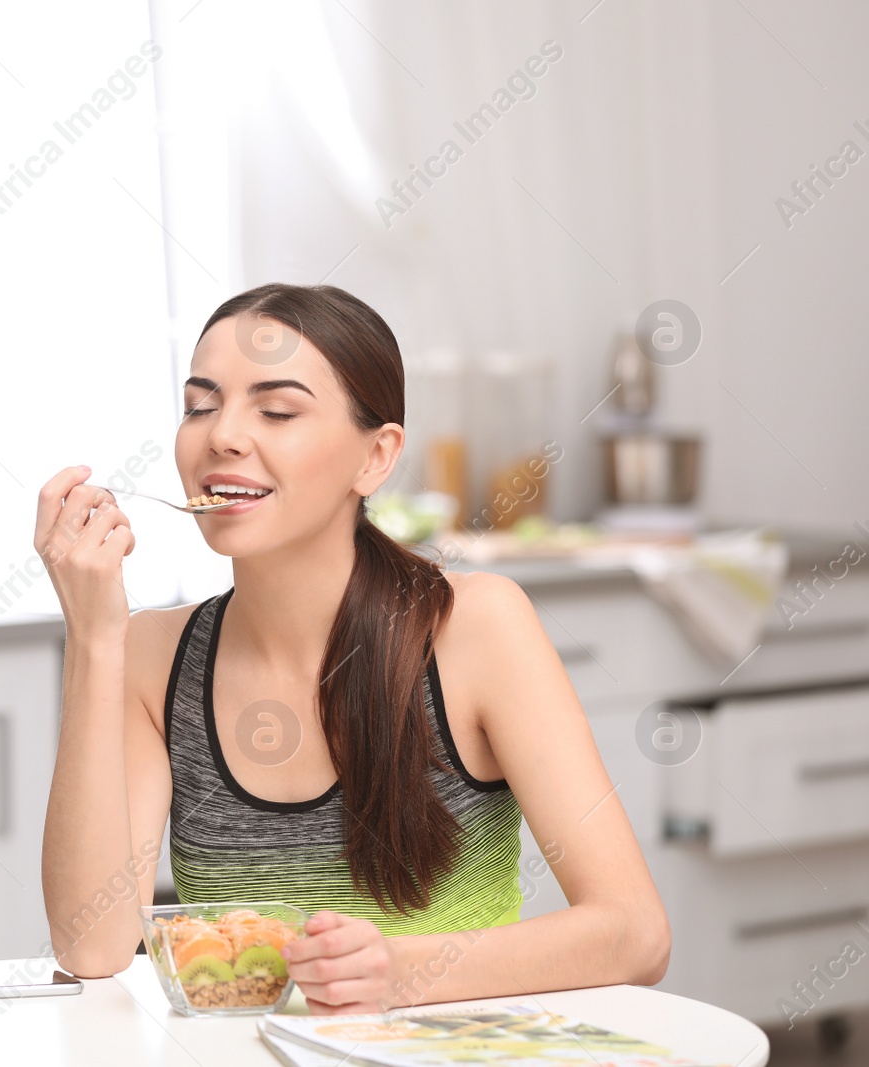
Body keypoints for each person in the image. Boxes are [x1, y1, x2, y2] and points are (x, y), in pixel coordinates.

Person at [36, 283, 669, 1014]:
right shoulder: (152, 654)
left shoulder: (476, 629)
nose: (223, 436)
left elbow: (635, 932)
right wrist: (92, 635)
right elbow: (92, 945)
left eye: (276, 409)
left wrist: (399, 970)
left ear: (376, 456)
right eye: (201, 405)